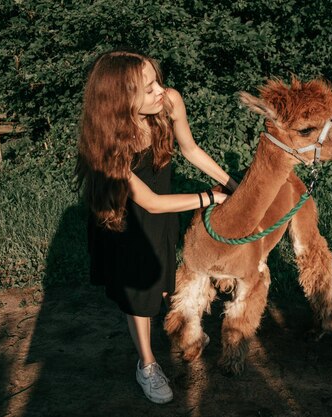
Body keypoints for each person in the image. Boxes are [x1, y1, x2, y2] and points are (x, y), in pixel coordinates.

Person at [76, 50, 238, 404]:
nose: (160, 91)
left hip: (163, 213)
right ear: (120, 99)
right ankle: (147, 364)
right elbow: (147, 201)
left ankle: (176, 330)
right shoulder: (108, 141)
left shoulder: (169, 101)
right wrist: (210, 198)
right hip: (123, 220)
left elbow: (191, 150)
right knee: (139, 295)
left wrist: (232, 185)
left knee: (163, 283)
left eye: (157, 80)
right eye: (147, 88)